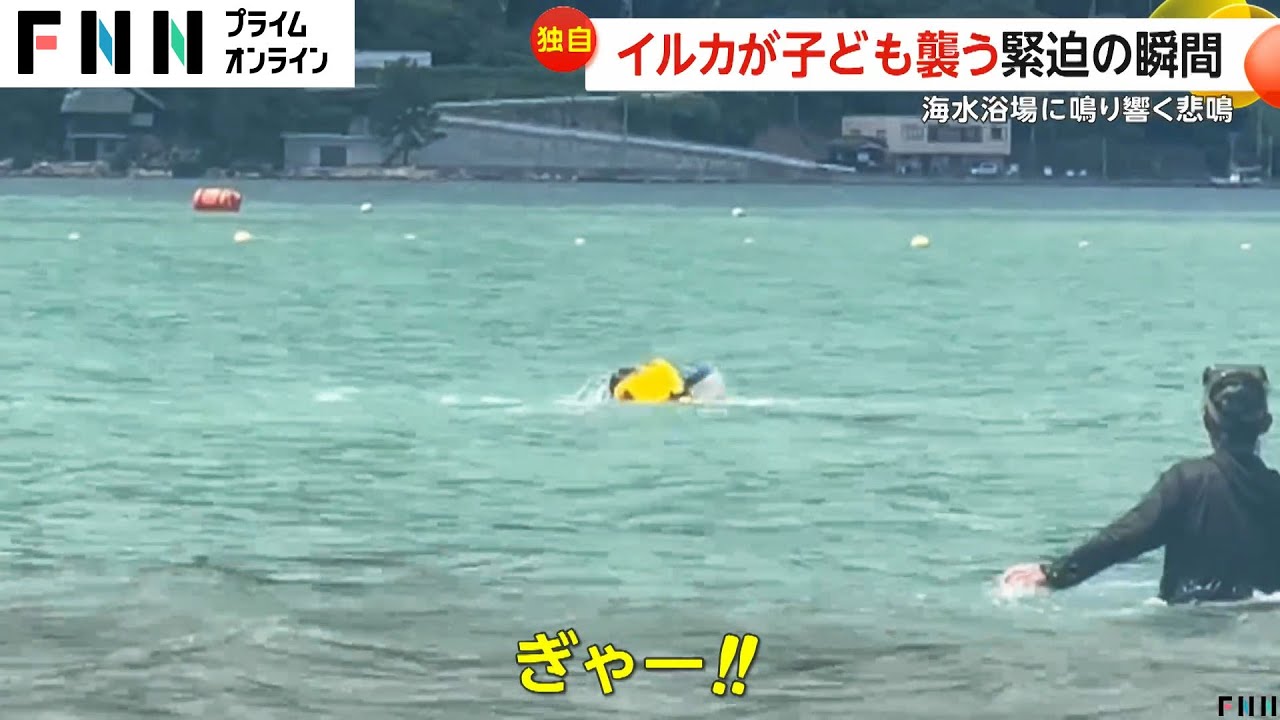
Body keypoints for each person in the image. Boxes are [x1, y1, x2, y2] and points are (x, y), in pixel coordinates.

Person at [1002, 365, 1280, 604]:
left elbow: (1127, 536)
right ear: (1265, 424)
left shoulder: (1187, 481)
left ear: (1207, 422)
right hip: (1261, 625)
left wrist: (1056, 574)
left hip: (1192, 627)